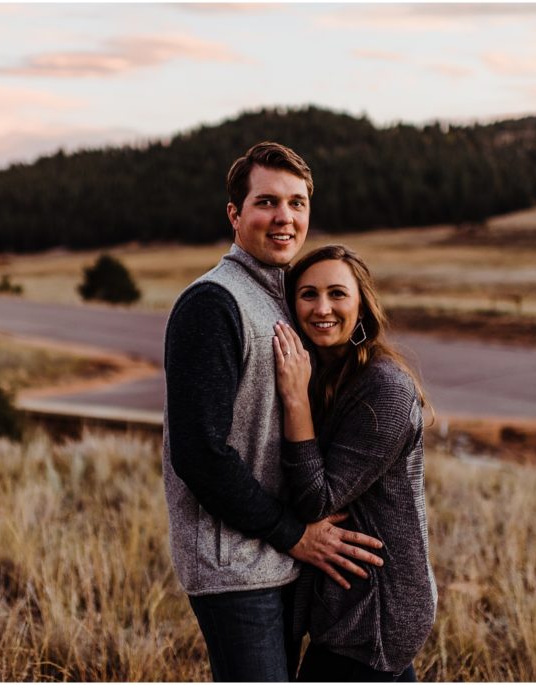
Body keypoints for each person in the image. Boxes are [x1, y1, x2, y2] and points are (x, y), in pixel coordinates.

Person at [162, 144, 386, 682]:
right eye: (266, 202)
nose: (285, 217)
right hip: (235, 567)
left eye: (297, 202)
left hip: (280, 560)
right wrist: (293, 532)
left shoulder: (282, 297)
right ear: (235, 215)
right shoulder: (213, 303)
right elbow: (199, 453)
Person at [272, 244, 437, 681]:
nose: (322, 307)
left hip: (373, 614)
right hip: (352, 601)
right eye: (308, 295)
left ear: (362, 304)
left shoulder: (384, 391)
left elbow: (316, 499)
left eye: (337, 293)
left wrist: (294, 399)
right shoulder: (330, 374)